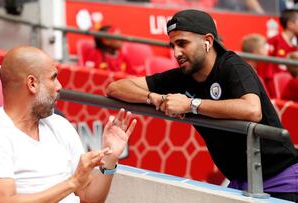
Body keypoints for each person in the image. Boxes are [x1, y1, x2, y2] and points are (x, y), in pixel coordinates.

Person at [106, 9, 298, 201]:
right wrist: (153, 97)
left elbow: (252, 110)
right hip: (242, 184)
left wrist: (191, 104)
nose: (176, 53)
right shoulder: (181, 77)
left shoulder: (232, 65)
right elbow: (114, 88)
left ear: (207, 41)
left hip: (282, 180)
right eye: (172, 45)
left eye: (182, 43)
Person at [0, 46, 137, 203]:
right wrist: (72, 183)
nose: (59, 86)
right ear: (32, 84)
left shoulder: (60, 125)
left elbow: (90, 197)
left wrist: (110, 158)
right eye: (53, 77)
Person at [265, 9, 298, 98]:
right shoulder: (274, 41)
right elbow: (265, 69)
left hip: (291, 87)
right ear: (290, 24)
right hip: (273, 89)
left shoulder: (294, 45)